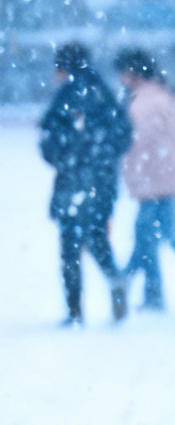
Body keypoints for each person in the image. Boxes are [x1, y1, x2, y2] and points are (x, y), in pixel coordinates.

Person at [41, 41, 132, 325]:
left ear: (64, 67)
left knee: (70, 247)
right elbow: (124, 135)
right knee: (96, 237)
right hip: (102, 182)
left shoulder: (68, 95)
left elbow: (50, 141)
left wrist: (65, 157)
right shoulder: (104, 93)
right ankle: (115, 280)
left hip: (73, 182)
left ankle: (74, 311)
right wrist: (102, 160)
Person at [117, 49, 175, 312]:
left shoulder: (141, 104)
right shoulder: (163, 96)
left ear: (132, 73)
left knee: (148, 237)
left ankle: (131, 283)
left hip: (153, 183)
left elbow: (137, 147)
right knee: (148, 236)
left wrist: (132, 175)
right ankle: (143, 288)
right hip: (164, 180)